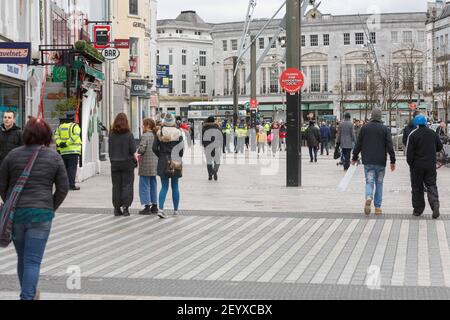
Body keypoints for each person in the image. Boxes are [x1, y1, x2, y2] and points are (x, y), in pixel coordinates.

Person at [0, 117, 69, 300]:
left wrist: (10, 202)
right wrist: (50, 207)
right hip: (41, 215)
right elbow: (63, 188)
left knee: (23, 258)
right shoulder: (54, 157)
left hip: (18, 215)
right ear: (47, 135)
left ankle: (28, 293)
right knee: (32, 260)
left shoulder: (12, 155)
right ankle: (28, 296)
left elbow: (2, 184)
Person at [352, 108, 396, 216]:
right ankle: (378, 207)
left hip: (368, 161)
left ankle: (368, 197)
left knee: (369, 181)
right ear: (380, 117)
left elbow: (358, 144)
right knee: (379, 183)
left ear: (371, 116)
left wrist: (354, 157)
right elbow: (390, 146)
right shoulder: (385, 129)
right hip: (381, 162)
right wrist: (392, 161)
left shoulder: (364, 128)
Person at [407, 114, 443, 219]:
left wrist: (411, 164)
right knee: (431, 185)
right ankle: (435, 204)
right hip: (430, 165)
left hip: (417, 166)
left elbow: (409, 153)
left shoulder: (413, 134)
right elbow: (439, 147)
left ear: (416, 123)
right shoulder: (432, 133)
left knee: (417, 187)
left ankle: (418, 210)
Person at [153, 113, 184, 218]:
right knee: (175, 186)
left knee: (164, 186)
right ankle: (175, 211)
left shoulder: (159, 132)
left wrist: (161, 155)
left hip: (163, 160)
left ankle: (160, 209)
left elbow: (154, 148)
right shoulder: (178, 132)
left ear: (164, 122)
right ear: (173, 122)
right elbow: (181, 150)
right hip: (175, 160)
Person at [109, 113, 137, 217]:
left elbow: (110, 149)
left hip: (115, 163)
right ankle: (125, 208)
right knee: (127, 185)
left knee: (116, 186)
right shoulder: (129, 134)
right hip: (127, 162)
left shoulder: (111, 134)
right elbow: (133, 150)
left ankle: (116, 208)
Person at [53, 111, 82, 191]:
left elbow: (56, 136)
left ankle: (64, 185)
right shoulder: (75, 126)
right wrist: (67, 143)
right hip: (73, 151)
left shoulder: (60, 127)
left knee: (64, 169)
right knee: (72, 168)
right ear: (73, 118)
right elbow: (75, 136)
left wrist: (60, 143)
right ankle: (71, 185)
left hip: (63, 151)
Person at [138, 119, 159, 215]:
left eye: (143, 125)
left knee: (144, 185)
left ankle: (147, 206)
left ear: (147, 125)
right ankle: (154, 206)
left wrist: (138, 150)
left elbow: (142, 149)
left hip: (146, 164)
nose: (142, 126)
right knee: (153, 184)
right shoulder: (156, 135)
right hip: (155, 163)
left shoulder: (145, 135)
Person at [202, 116, 222, 181]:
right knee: (217, 161)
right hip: (216, 146)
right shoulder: (217, 127)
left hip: (207, 147)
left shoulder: (204, 128)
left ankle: (210, 175)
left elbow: (202, 137)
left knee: (209, 161)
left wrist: (204, 145)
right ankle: (215, 172)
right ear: (214, 121)